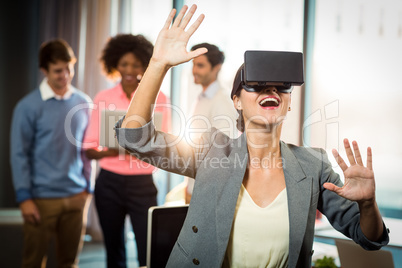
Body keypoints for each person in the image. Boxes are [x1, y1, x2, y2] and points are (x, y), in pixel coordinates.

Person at [115, 5, 389, 268]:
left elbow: (369, 238)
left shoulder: (313, 165)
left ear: (288, 102)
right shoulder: (212, 151)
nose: (270, 90)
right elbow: (134, 138)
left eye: (282, 86)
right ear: (236, 100)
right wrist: (158, 64)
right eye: (256, 85)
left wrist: (367, 204)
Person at [82, 34, 171, 268]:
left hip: (143, 184)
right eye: (124, 63)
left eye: (135, 64)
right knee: (114, 252)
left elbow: (165, 147)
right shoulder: (103, 98)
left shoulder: (160, 99)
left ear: (145, 64)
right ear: (115, 64)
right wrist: (122, 150)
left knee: (148, 251)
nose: (129, 69)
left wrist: (138, 149)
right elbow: (90, 149)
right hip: (109, 183)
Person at [10, 39, 92, 267]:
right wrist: (24, 198)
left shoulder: (84, 103)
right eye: (58, 70)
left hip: (76, 197)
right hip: (41, 199)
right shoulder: (27, 107)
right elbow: (19, 154)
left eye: (69, 68)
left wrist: (88, 188)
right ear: (44, 70)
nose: (65, 75)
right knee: (33, 262)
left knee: (69, 262)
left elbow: (87, 150)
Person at [183, 42, 237, 203]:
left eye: (200, 65)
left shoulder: (222, 101)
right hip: (197, 182)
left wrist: (197, 188)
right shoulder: (202, 97)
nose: (194, 70)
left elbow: (221, 151)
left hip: (208, 188)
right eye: (193, 64)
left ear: (216, 68)